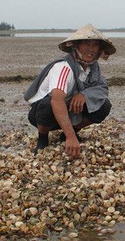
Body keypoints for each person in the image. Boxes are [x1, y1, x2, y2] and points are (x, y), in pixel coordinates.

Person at [24, 24, 115, 158]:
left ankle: (69, 131)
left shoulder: (92, 68)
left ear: (99, 50)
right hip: (43, 114)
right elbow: (57, 101)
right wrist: (71, 138)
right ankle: (43, 138)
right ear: (76, 46)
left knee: (104, 105)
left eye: (95, 45)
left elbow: (102, 87)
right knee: (48, 104)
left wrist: (84, 95)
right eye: (86, 44)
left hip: (69, 110)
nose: (90, 49)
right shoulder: (63, 68)